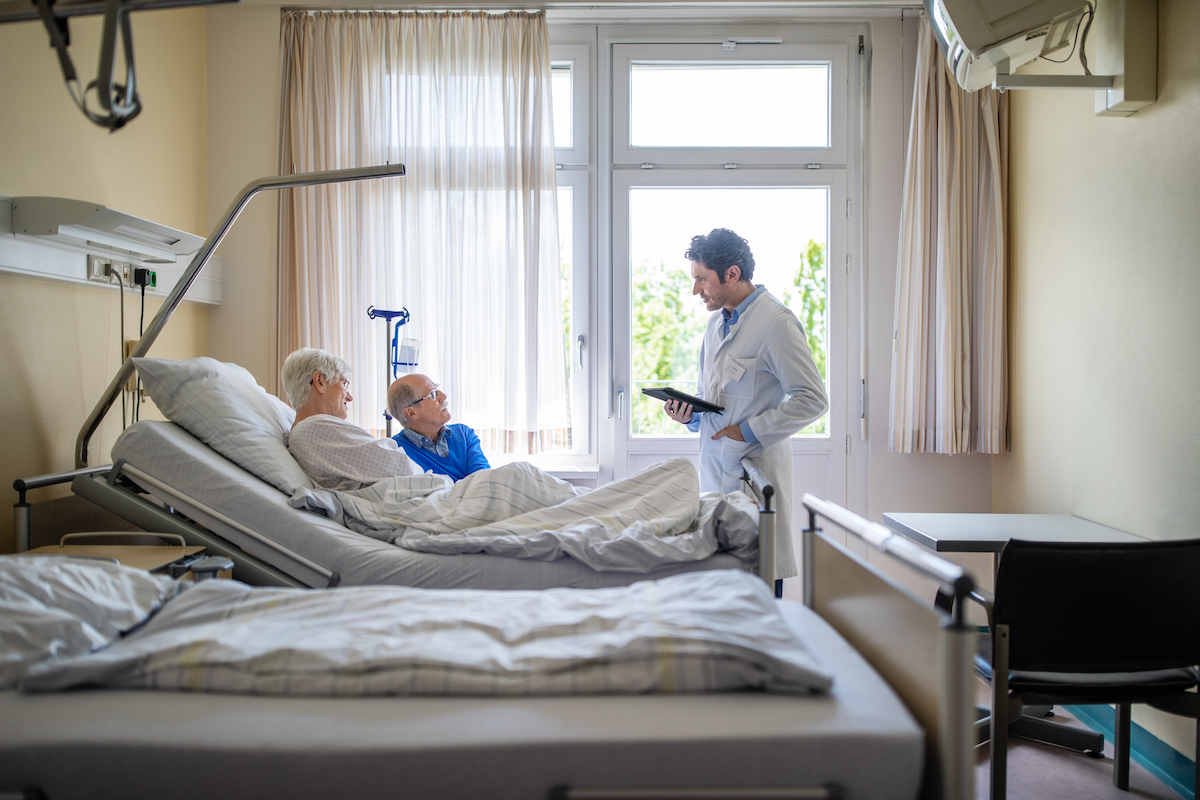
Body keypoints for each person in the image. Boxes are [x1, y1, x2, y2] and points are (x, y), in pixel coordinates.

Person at [663, 228, 828, 588]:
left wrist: (746, 432)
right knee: (721, 586)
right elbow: (714, 396)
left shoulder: (776, 323)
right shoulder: (713, 325)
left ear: (732, 274)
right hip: (716, 472)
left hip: (754, 471)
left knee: (761, 577)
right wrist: (690, 416)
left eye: (702, 279)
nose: (696, 290)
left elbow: (813, 399)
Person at [281, 348, 419, 491]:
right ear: (320, 381)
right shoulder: (313, 429)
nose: (349, 397)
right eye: (343, 383)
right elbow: (401, 467)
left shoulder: (308, 432)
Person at [387, 373, 490, 481]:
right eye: (432, 394)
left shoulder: (464, 434)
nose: (443, 396)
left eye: (437, 389)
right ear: (411, 413)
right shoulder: (396, 452)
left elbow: (483, 480)